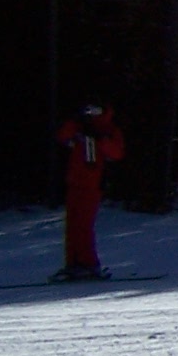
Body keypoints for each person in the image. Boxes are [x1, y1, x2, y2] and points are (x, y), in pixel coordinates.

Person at [53, 104, 125, 281]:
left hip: (92, 185)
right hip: (75, 182)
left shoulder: (107, 129)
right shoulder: (78, 127)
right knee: (72, 225)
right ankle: (73, 264)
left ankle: (89, 264)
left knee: (84, 225)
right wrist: (76, 122)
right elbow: (62, 136)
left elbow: (116, 153)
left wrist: (100, 138)